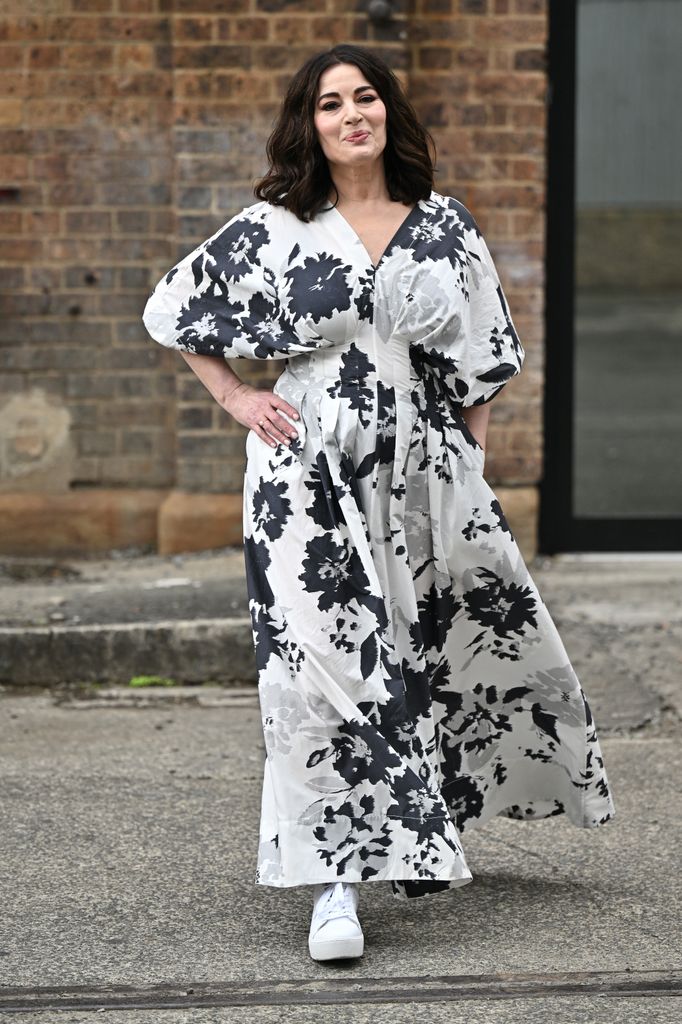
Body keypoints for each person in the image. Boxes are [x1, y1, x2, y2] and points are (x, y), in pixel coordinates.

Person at [143, 43, 615, 963]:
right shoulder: (278, 225)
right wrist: (239, 396)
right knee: (314, 665)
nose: (352, 114)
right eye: (330, 104)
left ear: (388, 113)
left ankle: (421, 833)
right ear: (308, 126)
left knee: (432, 643)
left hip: (424, 472)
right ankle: (332, 886)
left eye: (366, 98)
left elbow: (484, 350)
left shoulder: (443, 225)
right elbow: (178, 308)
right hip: (305, 472)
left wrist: (471, 452)